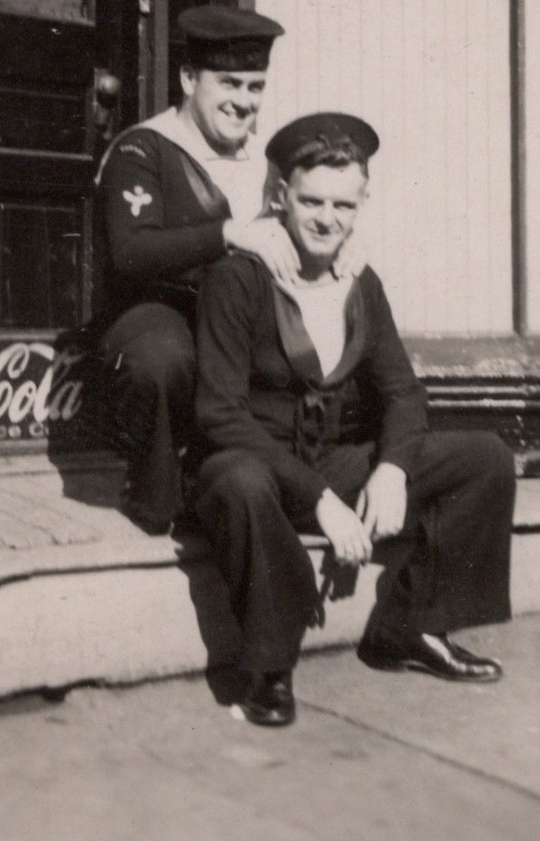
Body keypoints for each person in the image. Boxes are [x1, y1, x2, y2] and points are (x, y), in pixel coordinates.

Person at [192, 113, 516, 727]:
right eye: (311, 201)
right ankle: (268, 665)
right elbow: (220, 414)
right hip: (251, 465)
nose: (326, 219)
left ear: (361, 205)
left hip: (331, 463)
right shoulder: (238, 279)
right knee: (241, 482)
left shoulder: (360, 282)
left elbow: (403, 393)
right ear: (281, 196)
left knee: (485, 458)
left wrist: (392, 470)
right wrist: (320, 499)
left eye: (343, 205)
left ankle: (413, 629)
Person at [95, 6, 304, 534]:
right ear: (189, 79)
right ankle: (155, 494)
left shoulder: (267, 163)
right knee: (159, 358)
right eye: (228, 83)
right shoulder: (143, 148)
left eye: (255, 87)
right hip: (164, 310)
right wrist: (227, 233)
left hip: (237, 319)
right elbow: (131, 252)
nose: (243, 101)